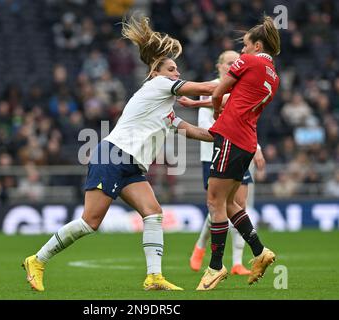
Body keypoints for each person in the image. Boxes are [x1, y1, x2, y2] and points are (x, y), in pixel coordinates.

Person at [22, 15, 218, 292]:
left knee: (153, 212)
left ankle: (154, 277)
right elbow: (205, 88)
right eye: (172, 70)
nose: (177, 74)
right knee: (91, 222)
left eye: (177, 71)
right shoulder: (158, 86)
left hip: (132, 166)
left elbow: (193, 131)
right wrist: (236, 80)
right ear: (156, 73)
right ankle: (37, 260)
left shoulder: (164, 110)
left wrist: (224, 135)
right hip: (113, 156)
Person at [195, 16, 281, 290]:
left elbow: (220, 91)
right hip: (247, 141)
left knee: (214, 201)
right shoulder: (273, 75)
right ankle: (260, 251)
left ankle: (215, 267)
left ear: (257, 45)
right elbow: (240, 98)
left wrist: (217, 110)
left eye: (245, 46)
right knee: (231, 204)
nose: (241, 52)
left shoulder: (250, 61)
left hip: (231, 138)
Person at [178, 50, 266, 276]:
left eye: (235, 62)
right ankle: (201, 245)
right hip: (214, 154)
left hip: (237, 150)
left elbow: (246, 122)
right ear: (219, 66)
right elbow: (212, 128)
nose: (232, 66)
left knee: (237, 205)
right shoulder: (213, 87)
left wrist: (256, 148)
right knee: (219, 205)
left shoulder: (241, 88)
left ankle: (237, 262)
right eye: (228, 62)